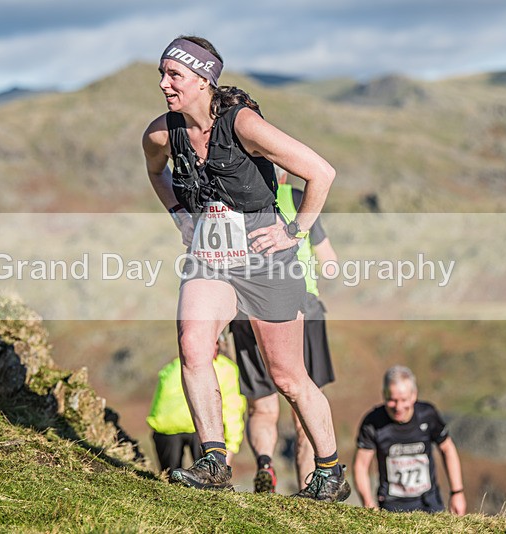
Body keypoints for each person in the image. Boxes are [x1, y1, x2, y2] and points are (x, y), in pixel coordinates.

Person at [142, 35, 350, 501]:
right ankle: (215, 461)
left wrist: (294, 231)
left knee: (287, 377)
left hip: (265, 261)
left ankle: (330, 471)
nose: (164, 84)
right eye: (162, 74)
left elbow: (321, 172)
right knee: (193, 348)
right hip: (210, 258)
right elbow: (156, 171)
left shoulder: (243, 124)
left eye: (174, 75)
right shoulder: (161, 134)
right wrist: (179, 214)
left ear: (203, 79)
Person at [229, 165, 338, 493]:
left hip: (245, 309)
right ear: (284, 176)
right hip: (301, 306)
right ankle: (313, 485)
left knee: (262, 405)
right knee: (305, 397)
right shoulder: (297, 199)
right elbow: (329, 263)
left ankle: (265, 465)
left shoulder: (234, 200)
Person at [353, 366, 467, 515]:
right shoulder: (372, 423)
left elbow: (447, 448)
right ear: (383, 395)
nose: (398, 407)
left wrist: (457, 492)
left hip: (429, 503)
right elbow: (361, 465)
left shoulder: (428, 415)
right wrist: (368, 504)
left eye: (404, 400)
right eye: (392, 400)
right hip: (391, 507)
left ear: (414, 395)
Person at [146, 334, 246, 472]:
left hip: (165, 427)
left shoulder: (176, 365)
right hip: (200, 426)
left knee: (169, 475)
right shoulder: (225, 368)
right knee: (209, 476)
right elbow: (232, 408)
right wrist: (231, 446)